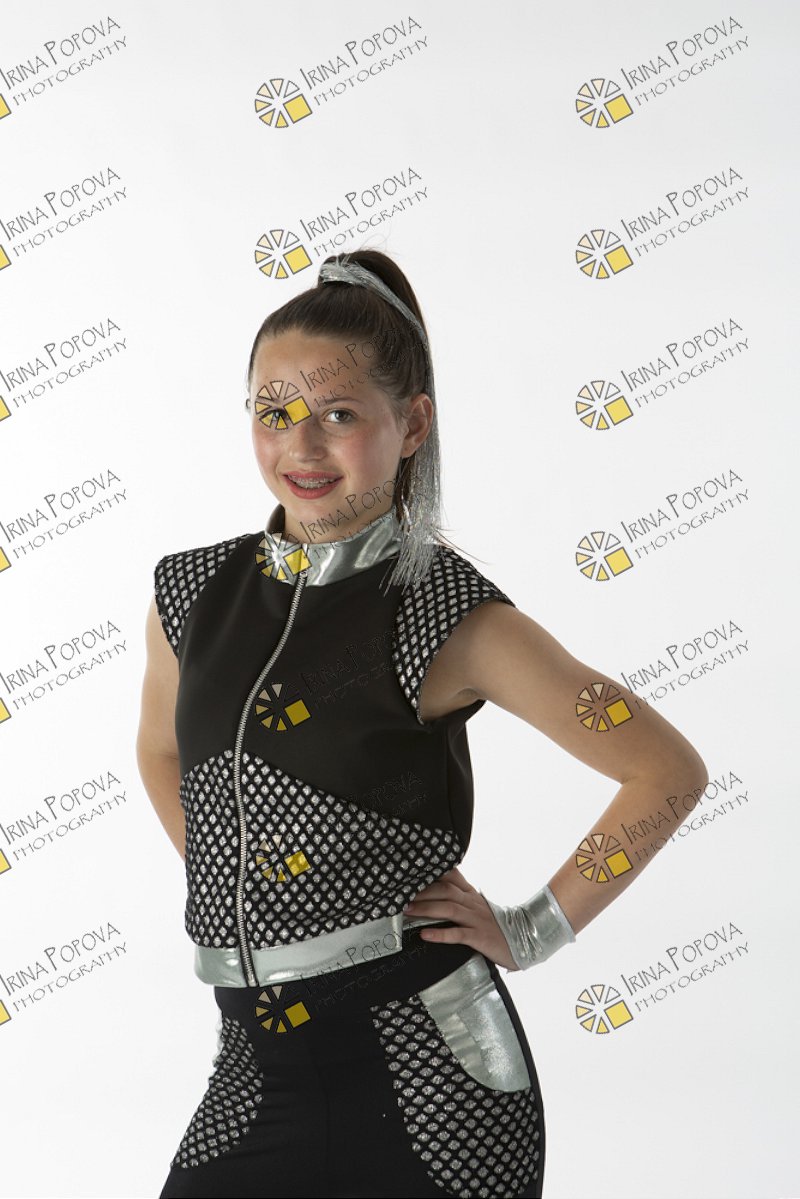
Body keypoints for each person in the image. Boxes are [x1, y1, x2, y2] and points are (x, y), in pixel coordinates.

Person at [136, 250, 708, 1199]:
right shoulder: (191, 593)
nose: (300, 445)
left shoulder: (448, 612)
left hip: (431, 1077)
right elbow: (162, 749)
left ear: (412, 425)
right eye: (273, 412)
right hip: (253, 1073)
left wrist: (535, 926)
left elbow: (666, 770)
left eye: (339, 414)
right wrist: (250, 879)